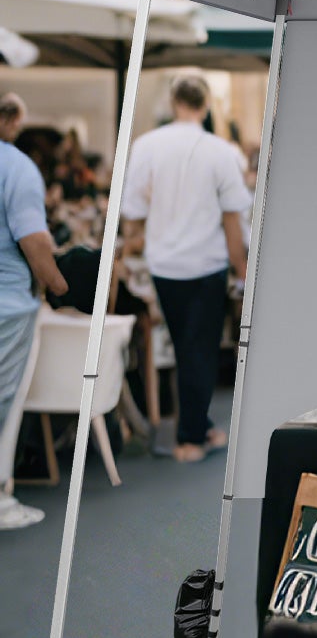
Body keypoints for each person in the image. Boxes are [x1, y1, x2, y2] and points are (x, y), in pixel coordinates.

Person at [121, 76, 250, 464]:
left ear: (173, 101)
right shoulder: (221, 151)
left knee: (184, 346)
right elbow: (232, 220)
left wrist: (140, 239)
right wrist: (242, 271)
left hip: (163, 264)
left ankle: (198, 425)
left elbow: (134, 212)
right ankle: (190, 438)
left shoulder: (146, 146)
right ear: (206, 105)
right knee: (202, 350)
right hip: (206, 263)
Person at [0, 129, 70, 529]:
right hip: (8, 305)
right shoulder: (16, 166)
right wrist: (60, 286)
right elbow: (35, 241)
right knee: (5, 405)